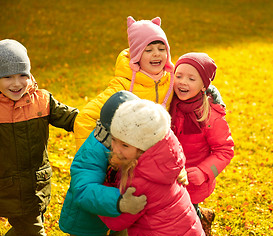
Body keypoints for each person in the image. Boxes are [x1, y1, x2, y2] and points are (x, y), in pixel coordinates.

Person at [0, 39, 79, 236]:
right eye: (7, 77)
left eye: (22, 75)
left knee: (24, 231)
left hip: (37, 184)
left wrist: (101, 122)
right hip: (8, 189)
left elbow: (72, 119)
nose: (16, 83)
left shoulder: (42, 100)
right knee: (35, 235)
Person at [74, 16, 225, 150]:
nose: (156, 54)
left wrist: (211, 92)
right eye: (148, 50)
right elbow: (85, 118)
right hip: (127, 156)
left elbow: (192, 86)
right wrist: (93, 155)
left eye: (161, 48)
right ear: (137, 56)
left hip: (156, 155)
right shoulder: (122, 86)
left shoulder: (170, 80)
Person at [99, 98, 206, 236]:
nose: (116, 149)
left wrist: (102, 189)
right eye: (114, 139)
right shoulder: (166, 160)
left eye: (125, 145)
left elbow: (116, 223)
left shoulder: (139, 182)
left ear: (143, 148)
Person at [59, 91, 147, 236]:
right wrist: (120, 202)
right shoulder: (93, 150)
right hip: (87, 227)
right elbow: (83, 190)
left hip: (119, 221)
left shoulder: (133, 146)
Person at [170, 52, 235, 236]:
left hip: (193, 181)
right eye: (179, 75)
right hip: (167, 176)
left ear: (203, 86)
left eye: (191, 78)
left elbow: (225, 150)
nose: (183, 82)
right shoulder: (167, 103)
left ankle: (201, 225)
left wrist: (204, 172)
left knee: (188, 220)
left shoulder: (210, 116)